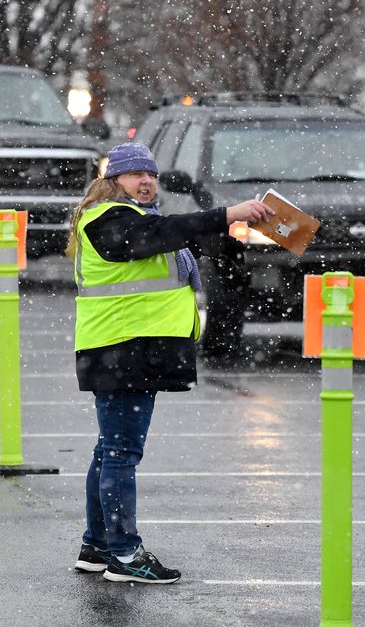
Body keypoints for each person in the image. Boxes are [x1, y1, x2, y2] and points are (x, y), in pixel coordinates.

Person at [68, 142, 273, 584]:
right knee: (121, 452)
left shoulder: (140, 221)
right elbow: (162, 235)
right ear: (112, 180)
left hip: (129, 350)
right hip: (120, 348)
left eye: (152, 175)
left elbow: (173, 240)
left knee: (110, 450)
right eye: (135, 175)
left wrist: (235, 229)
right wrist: (228, 213)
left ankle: (98, 545)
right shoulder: (107, 218)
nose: (146, 181)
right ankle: (124, 553)